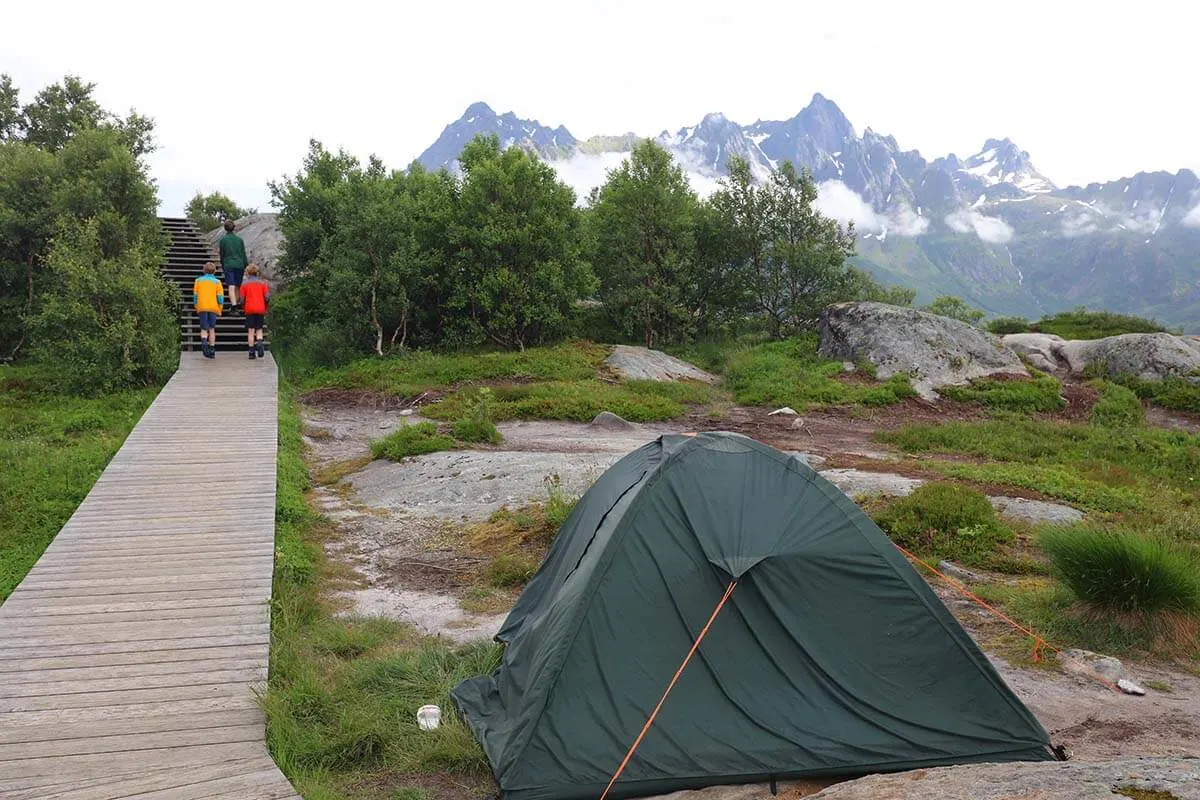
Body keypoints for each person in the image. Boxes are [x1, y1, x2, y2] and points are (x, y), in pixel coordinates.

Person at [193, 262, 224, 358]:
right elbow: (220, 298)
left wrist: (196, 306)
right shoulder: (217, 282)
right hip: (213, 307)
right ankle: (212, 349)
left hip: (202, 306)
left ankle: (204, 343)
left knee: (203, 328)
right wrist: (220, 309)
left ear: (204, 270)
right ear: (214, 271)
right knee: (211, 328)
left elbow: (195, 296)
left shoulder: (198, 281)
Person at [218, 217, 249, 308]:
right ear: (234, 227)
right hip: (240, 265)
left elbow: (222, 255)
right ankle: (238, 304)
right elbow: (243, 254)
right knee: (238, 285)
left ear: (225, 228)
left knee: (231, 285)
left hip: (228, 264)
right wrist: (245, 265)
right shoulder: (239, 240)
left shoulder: (223, 240)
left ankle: (234, 306)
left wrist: (223, 265)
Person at [240, 264, 270, 360]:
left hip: (249, 309)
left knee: (251, 331)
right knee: (259, 329)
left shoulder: (244, 284)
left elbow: (241, 299)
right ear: (257, 272)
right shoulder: (263, 284)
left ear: (247, 273)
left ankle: (251, 352)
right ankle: (260, 342)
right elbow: (267, 297)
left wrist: (242, 306)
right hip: (260, 309)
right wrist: (265, 305)